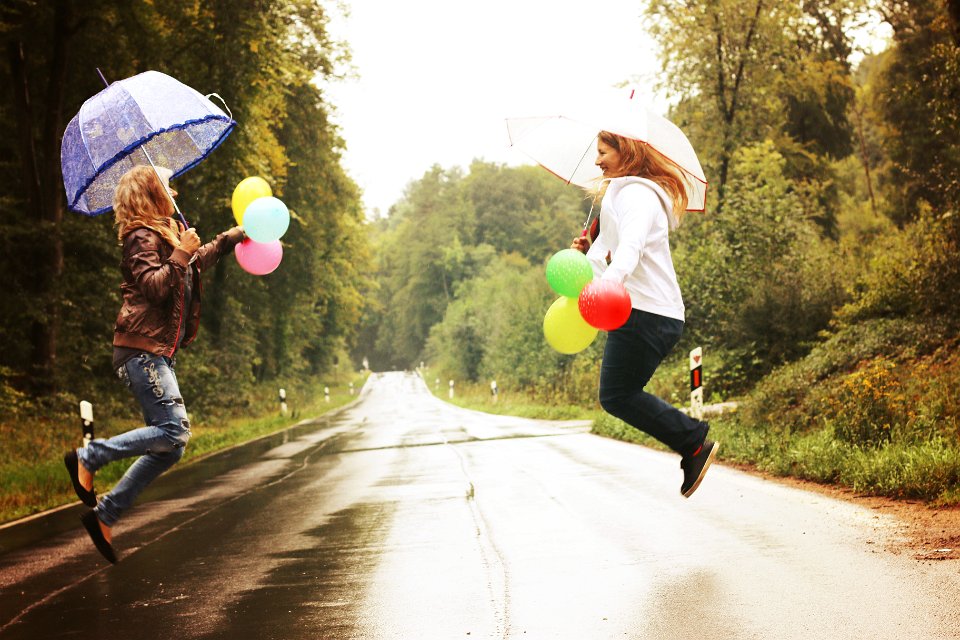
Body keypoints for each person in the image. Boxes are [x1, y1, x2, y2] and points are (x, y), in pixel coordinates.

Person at [63, 165, 244, 562]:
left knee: (170, 447)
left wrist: (229, 239)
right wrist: (180, 252)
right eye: (167, 186)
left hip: (157, 352)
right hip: (140, 350)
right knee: (174, 430)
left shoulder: (166, 233)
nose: (174, 192)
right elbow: (155, 286)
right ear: (150, 193)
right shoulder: (140, 237)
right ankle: (90, 457)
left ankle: (106, 514)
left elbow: (193, 265)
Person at [571, 131, 718, 498]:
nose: (597, 161)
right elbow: (609, 254)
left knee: (617, 394)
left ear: (628, 152)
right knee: (618, 394)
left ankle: (693, 441)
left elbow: (631, 248)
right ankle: (692, 442)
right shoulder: (620, 194)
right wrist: (588, 252)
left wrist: (609, 285)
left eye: (603, 152)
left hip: (647, 313)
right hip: (642, 311)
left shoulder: (638, 195)